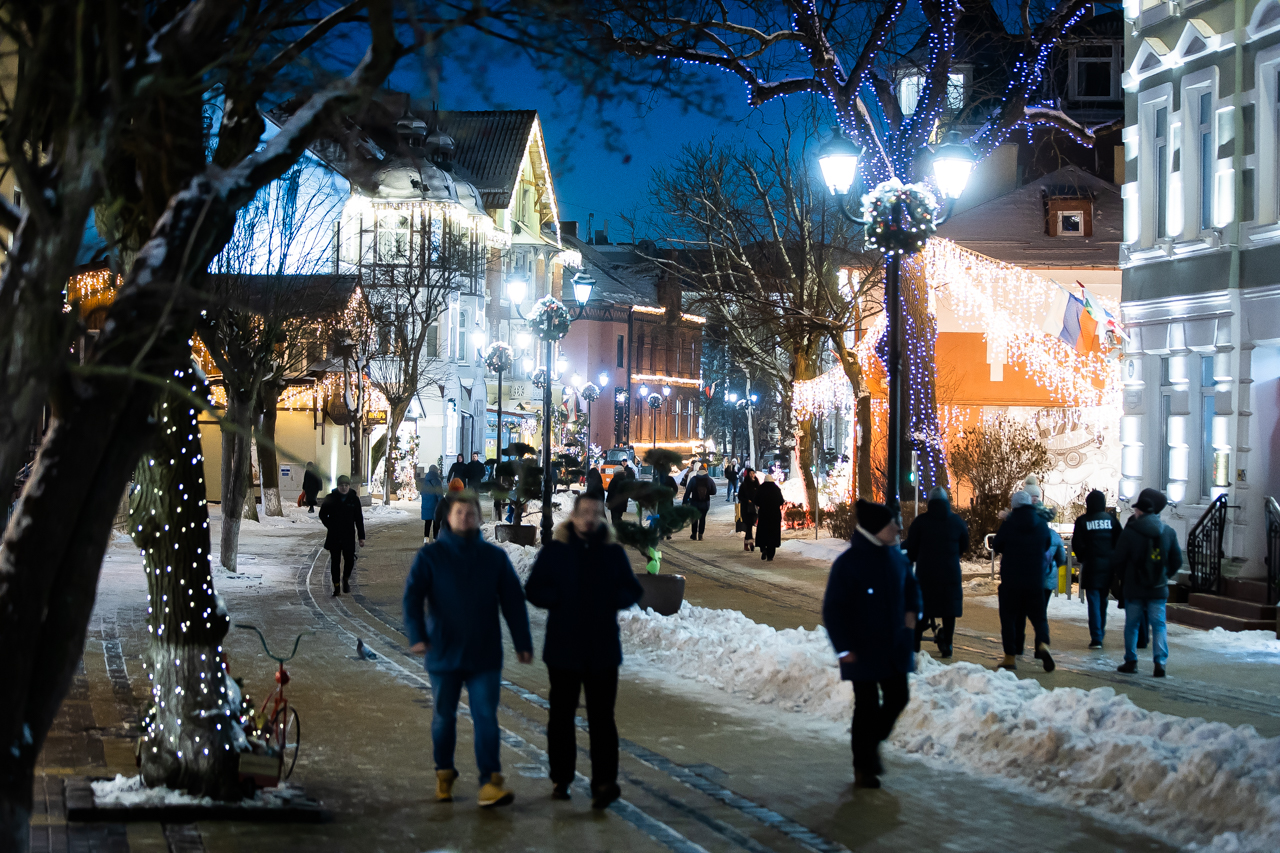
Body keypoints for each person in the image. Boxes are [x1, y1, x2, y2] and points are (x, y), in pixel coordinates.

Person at [402, 492, 534, 808]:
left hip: (484, 653)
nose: (465, 517)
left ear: (478, 517)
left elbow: (513, 601)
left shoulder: (494, 557)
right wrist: (417, 635)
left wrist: (523, 642)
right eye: (459, 511)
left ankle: (490, 781)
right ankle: (444, 774)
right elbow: (412, 598)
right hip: (443, 652)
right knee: (444, 717)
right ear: (448, 517)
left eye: (471, 512)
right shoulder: (431, 557)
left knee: (486, 716)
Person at [524, 493, 644, 809]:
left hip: (602, 648)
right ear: (574, 517)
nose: (590, 517)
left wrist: (611, 600)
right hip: (563, 648)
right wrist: (559, 599)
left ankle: (604, 783)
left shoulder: (612, 552)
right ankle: (561, 777)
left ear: (602, 517)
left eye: (596, 512)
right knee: (562, 716)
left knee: (602, 719)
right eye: (585, 512)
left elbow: (633, 589)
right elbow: (534, 588)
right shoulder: (556, 551)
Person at [822, 499, 921, 789]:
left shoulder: (896, 557)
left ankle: (870, 746)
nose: (899, 527)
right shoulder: (849, 564)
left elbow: (912, 589)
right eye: (893, 523)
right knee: (865, 706)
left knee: (898, 697)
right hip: (860, 650)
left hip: (894, 646)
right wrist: (844, 648)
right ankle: (863, 766)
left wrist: (913, 614)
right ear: (878, 529)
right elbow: (833, 610)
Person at [1113, 488, 1183, 677]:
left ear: (1140, 512)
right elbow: (1177, 560)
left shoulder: (1130, 532)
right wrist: (1164, 575)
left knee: (1132, 625)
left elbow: (1118, 559)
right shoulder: (1168, 532)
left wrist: (1126, 578)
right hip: (1158, 588)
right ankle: (1160, 663)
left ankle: (1131, 661)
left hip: (1134, 588)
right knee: (1159, 625)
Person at [991, 491, 1054, 672]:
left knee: (1009, 618)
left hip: (1011, 580)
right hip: (1035, 579)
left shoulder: (1009, 524)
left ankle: (1010, 657)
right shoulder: (1041, 524)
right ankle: (1042, 644)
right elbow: (1047, 544)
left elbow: (997, 545)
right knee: (1039, 617)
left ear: (1014, 505)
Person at [905, 487, 969, 659]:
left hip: (926, 575)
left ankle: (915, 644)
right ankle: (947, 644)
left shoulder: (921, 522)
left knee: (922, 609)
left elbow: (912, 549)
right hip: (950, 574)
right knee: (949, 611)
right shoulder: (957, 521)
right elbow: (964, 544)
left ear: (929, 503)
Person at [1072, 490, 1121, 649]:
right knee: (1103, 601)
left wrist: (1083, 557)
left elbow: (1077, 544)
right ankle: (1101, 631)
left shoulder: (1082, 521)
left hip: (1091, 566)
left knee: (1093, 602)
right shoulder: (1111, 520)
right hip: (1107, 567)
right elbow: (1119, 540)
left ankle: (1096, 637)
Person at [318, 475, 365, 597]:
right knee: (335, 562)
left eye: (346, 485)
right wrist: (330, 525)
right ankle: (337, 586)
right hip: (334, 535)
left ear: (349, 486)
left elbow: (359, 519)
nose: (344, 488)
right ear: (337, 486)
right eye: (341, 485)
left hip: (349, 535)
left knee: (350, 560)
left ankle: (345, 578)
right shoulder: (330, 498)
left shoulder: (353, 499)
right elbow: (322, 514)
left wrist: (361, 537)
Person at [753, 473, 784, 561]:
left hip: (763, 514)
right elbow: (781, 501)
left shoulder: (761, 488)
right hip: (774, 515)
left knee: (763, 533)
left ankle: (763, 549)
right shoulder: (776, 489)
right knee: (773, 534)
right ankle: (770, 554)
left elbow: (756, 500)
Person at [682, 463, 717, 540]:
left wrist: (684, 502)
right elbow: (714, 492)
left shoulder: (694, 479)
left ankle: (694, 534)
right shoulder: (709, 480)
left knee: (694, 518)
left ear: (698, 470)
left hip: (694, 502)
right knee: (702, 518)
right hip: (705, 503)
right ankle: (700, 534)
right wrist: (707, 492)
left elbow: (688, 491)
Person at [420, 465, 444, 543]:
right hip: (435, 504)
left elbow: (422, 492)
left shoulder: (425, 480)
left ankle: (426, 539)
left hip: (426, 504)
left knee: (427, 522)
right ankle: (435, 539)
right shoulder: (436, 481)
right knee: (435, 522)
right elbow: (439, 493)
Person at [737, 468, 759, 551]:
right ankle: (750, 542)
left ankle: (746, 542)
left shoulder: (757, 483)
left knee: (750, 526)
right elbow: (740, 496)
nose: (752, 475)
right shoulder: (744, 484)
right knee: (748, 525)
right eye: (750, 473)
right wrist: (747, 500)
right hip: (746, 508)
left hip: (754, 508)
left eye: (753, 473)